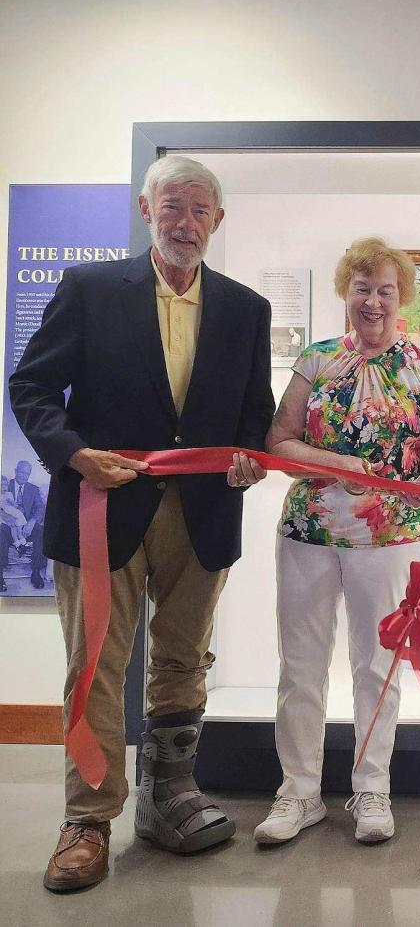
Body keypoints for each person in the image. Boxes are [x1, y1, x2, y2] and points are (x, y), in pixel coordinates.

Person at [8, 155, 274, 891]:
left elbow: (254, 411)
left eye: (199, 210)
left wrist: (249, 457)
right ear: (145, 209)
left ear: (217, 221)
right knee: (95, 664)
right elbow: (30, 386)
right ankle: (88, 821)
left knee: (184, 660)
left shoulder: (247, 308)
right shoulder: (90, 288)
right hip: (102, 507)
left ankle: (168, 799)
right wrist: (74, 455)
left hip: (203, 512)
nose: (185, 222)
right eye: (172, 207)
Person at [254, 238, 420, 846]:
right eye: (362, 287)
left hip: (390, 537)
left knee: (377, 666)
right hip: (308, 534)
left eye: (385, 290)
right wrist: (341, 465)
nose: (372, 301)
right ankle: (299, 793)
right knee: (301, 665)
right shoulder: (316, 361)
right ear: (346, 292)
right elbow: (279, 443)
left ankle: (372, 788)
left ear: (402, 300)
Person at [0, 459, 48, 590]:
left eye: (27, 474)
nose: (24, 476)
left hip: (27, 527)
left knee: (40, 531)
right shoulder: (4, 485)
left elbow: (40, 508)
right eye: (21, 472)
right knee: (0, 530)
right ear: (16, 471)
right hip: (9, 526)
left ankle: (36, 572)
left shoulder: (33, 489)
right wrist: (4, 515)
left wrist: (32, 522)